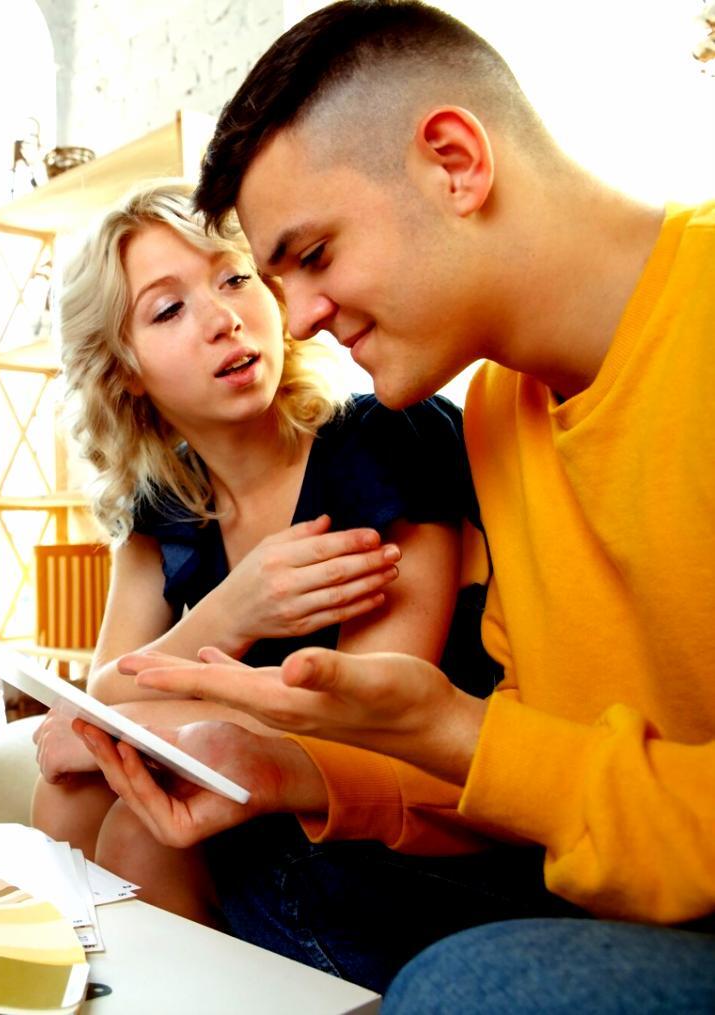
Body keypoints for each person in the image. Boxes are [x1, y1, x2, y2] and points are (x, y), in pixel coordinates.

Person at [74, 2, 715, 1009]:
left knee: (472, 985)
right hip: (611, 906)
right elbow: (529, 764)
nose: (289, 321)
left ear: (454, 162)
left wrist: (454, 735)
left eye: (311, 256)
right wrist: (304, 774)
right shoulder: (500, 407)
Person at [31, 182, 556, 972]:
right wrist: (229, 613)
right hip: (255, 796)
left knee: (133, 818)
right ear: (126, 371)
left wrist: (121, 718)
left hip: (406, 822)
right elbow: (96, 698)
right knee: (69, 794)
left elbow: (368, 717)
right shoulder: (162, 507)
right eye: (167, 310)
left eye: (234, 277)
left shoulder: (385, 437)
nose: (223, 319)